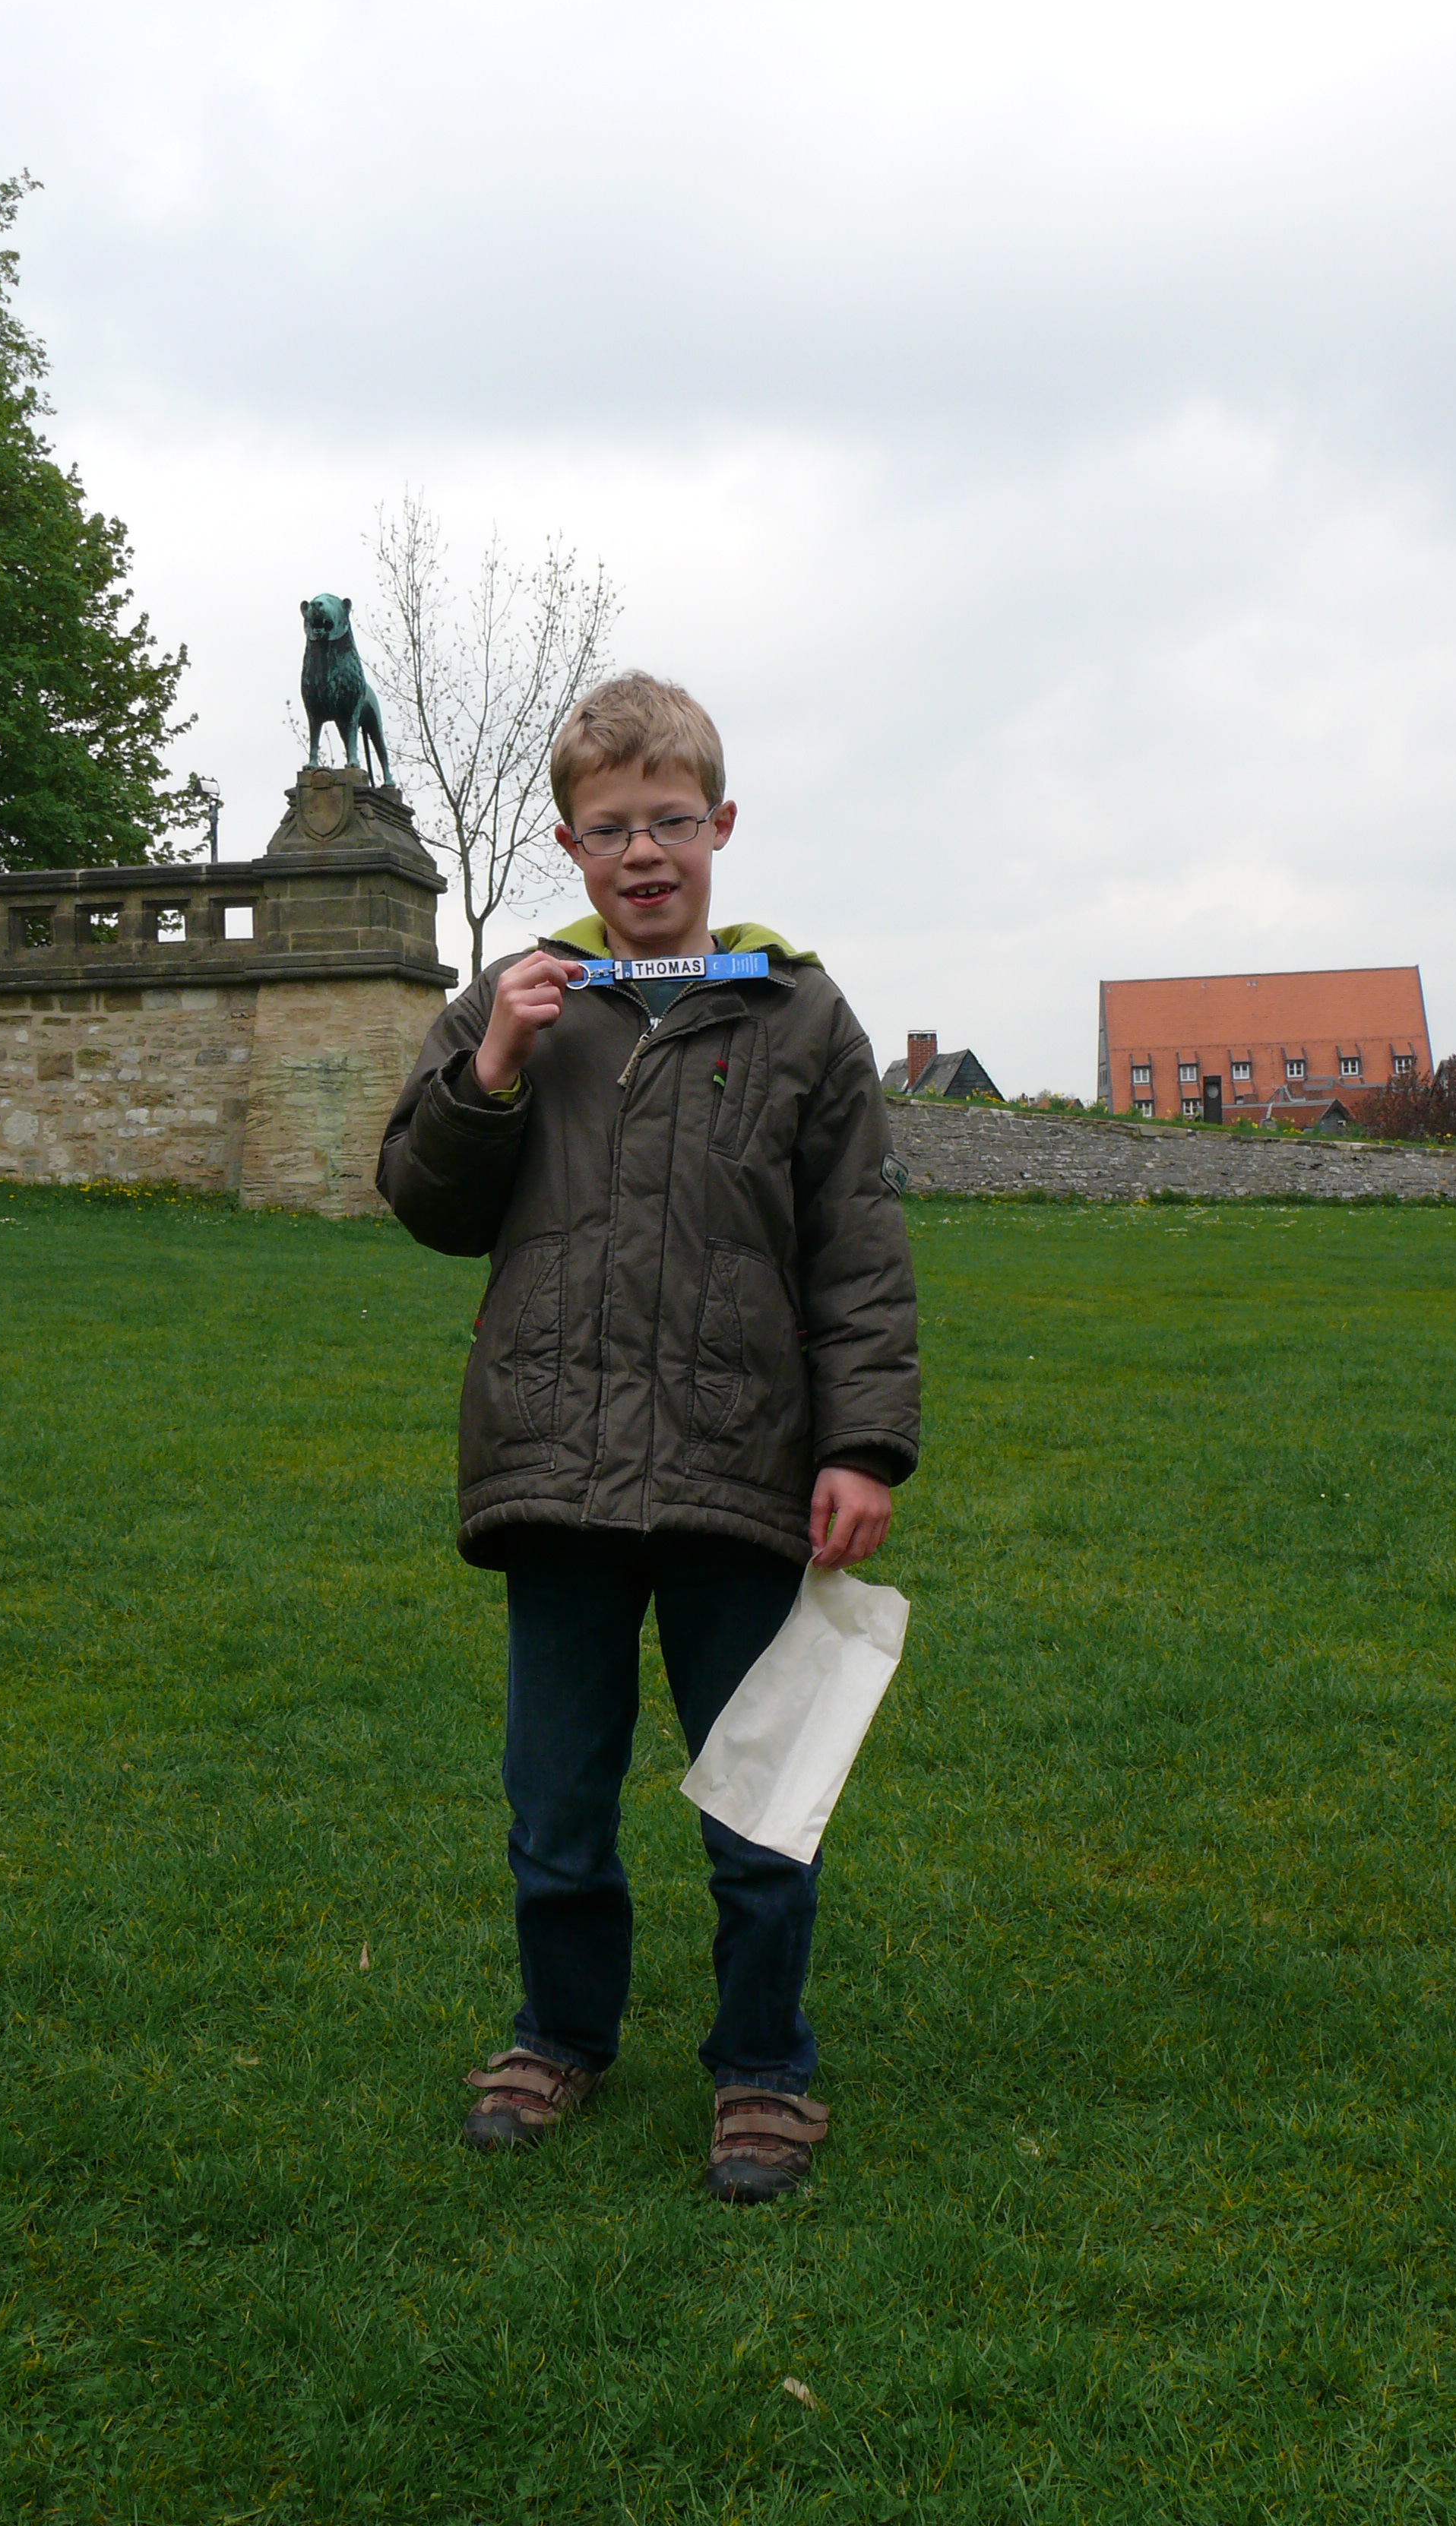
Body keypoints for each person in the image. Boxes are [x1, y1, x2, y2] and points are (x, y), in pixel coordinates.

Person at [376, 670, 921, 2202]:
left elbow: (859, 1253)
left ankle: (763, 2070)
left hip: (742, 1467)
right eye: (610, 828)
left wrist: (863, 1447)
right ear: (570, 843)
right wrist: (489, 1070)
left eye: (670, 821)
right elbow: (422, 1201)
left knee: (760, 1802)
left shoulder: (799, 1014)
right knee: (556, 1806)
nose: (643, 854)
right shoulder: (516, 1002)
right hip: (554, 1469)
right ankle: (560, 2035)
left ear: (721, 825)